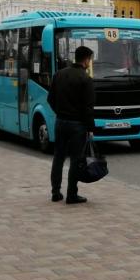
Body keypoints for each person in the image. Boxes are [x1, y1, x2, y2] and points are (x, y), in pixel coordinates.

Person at [47, 45, 95, 205]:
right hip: (77, 125)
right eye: (90, 59)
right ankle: (71, 194)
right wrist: (90, 128)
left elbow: (50, 99)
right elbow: (88, 108)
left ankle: (55, 192)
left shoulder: (59, 74)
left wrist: (60, 112)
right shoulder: (85, 79)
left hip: (60, 122)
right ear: (86, 60)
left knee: (58, 157)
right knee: (75, 159)